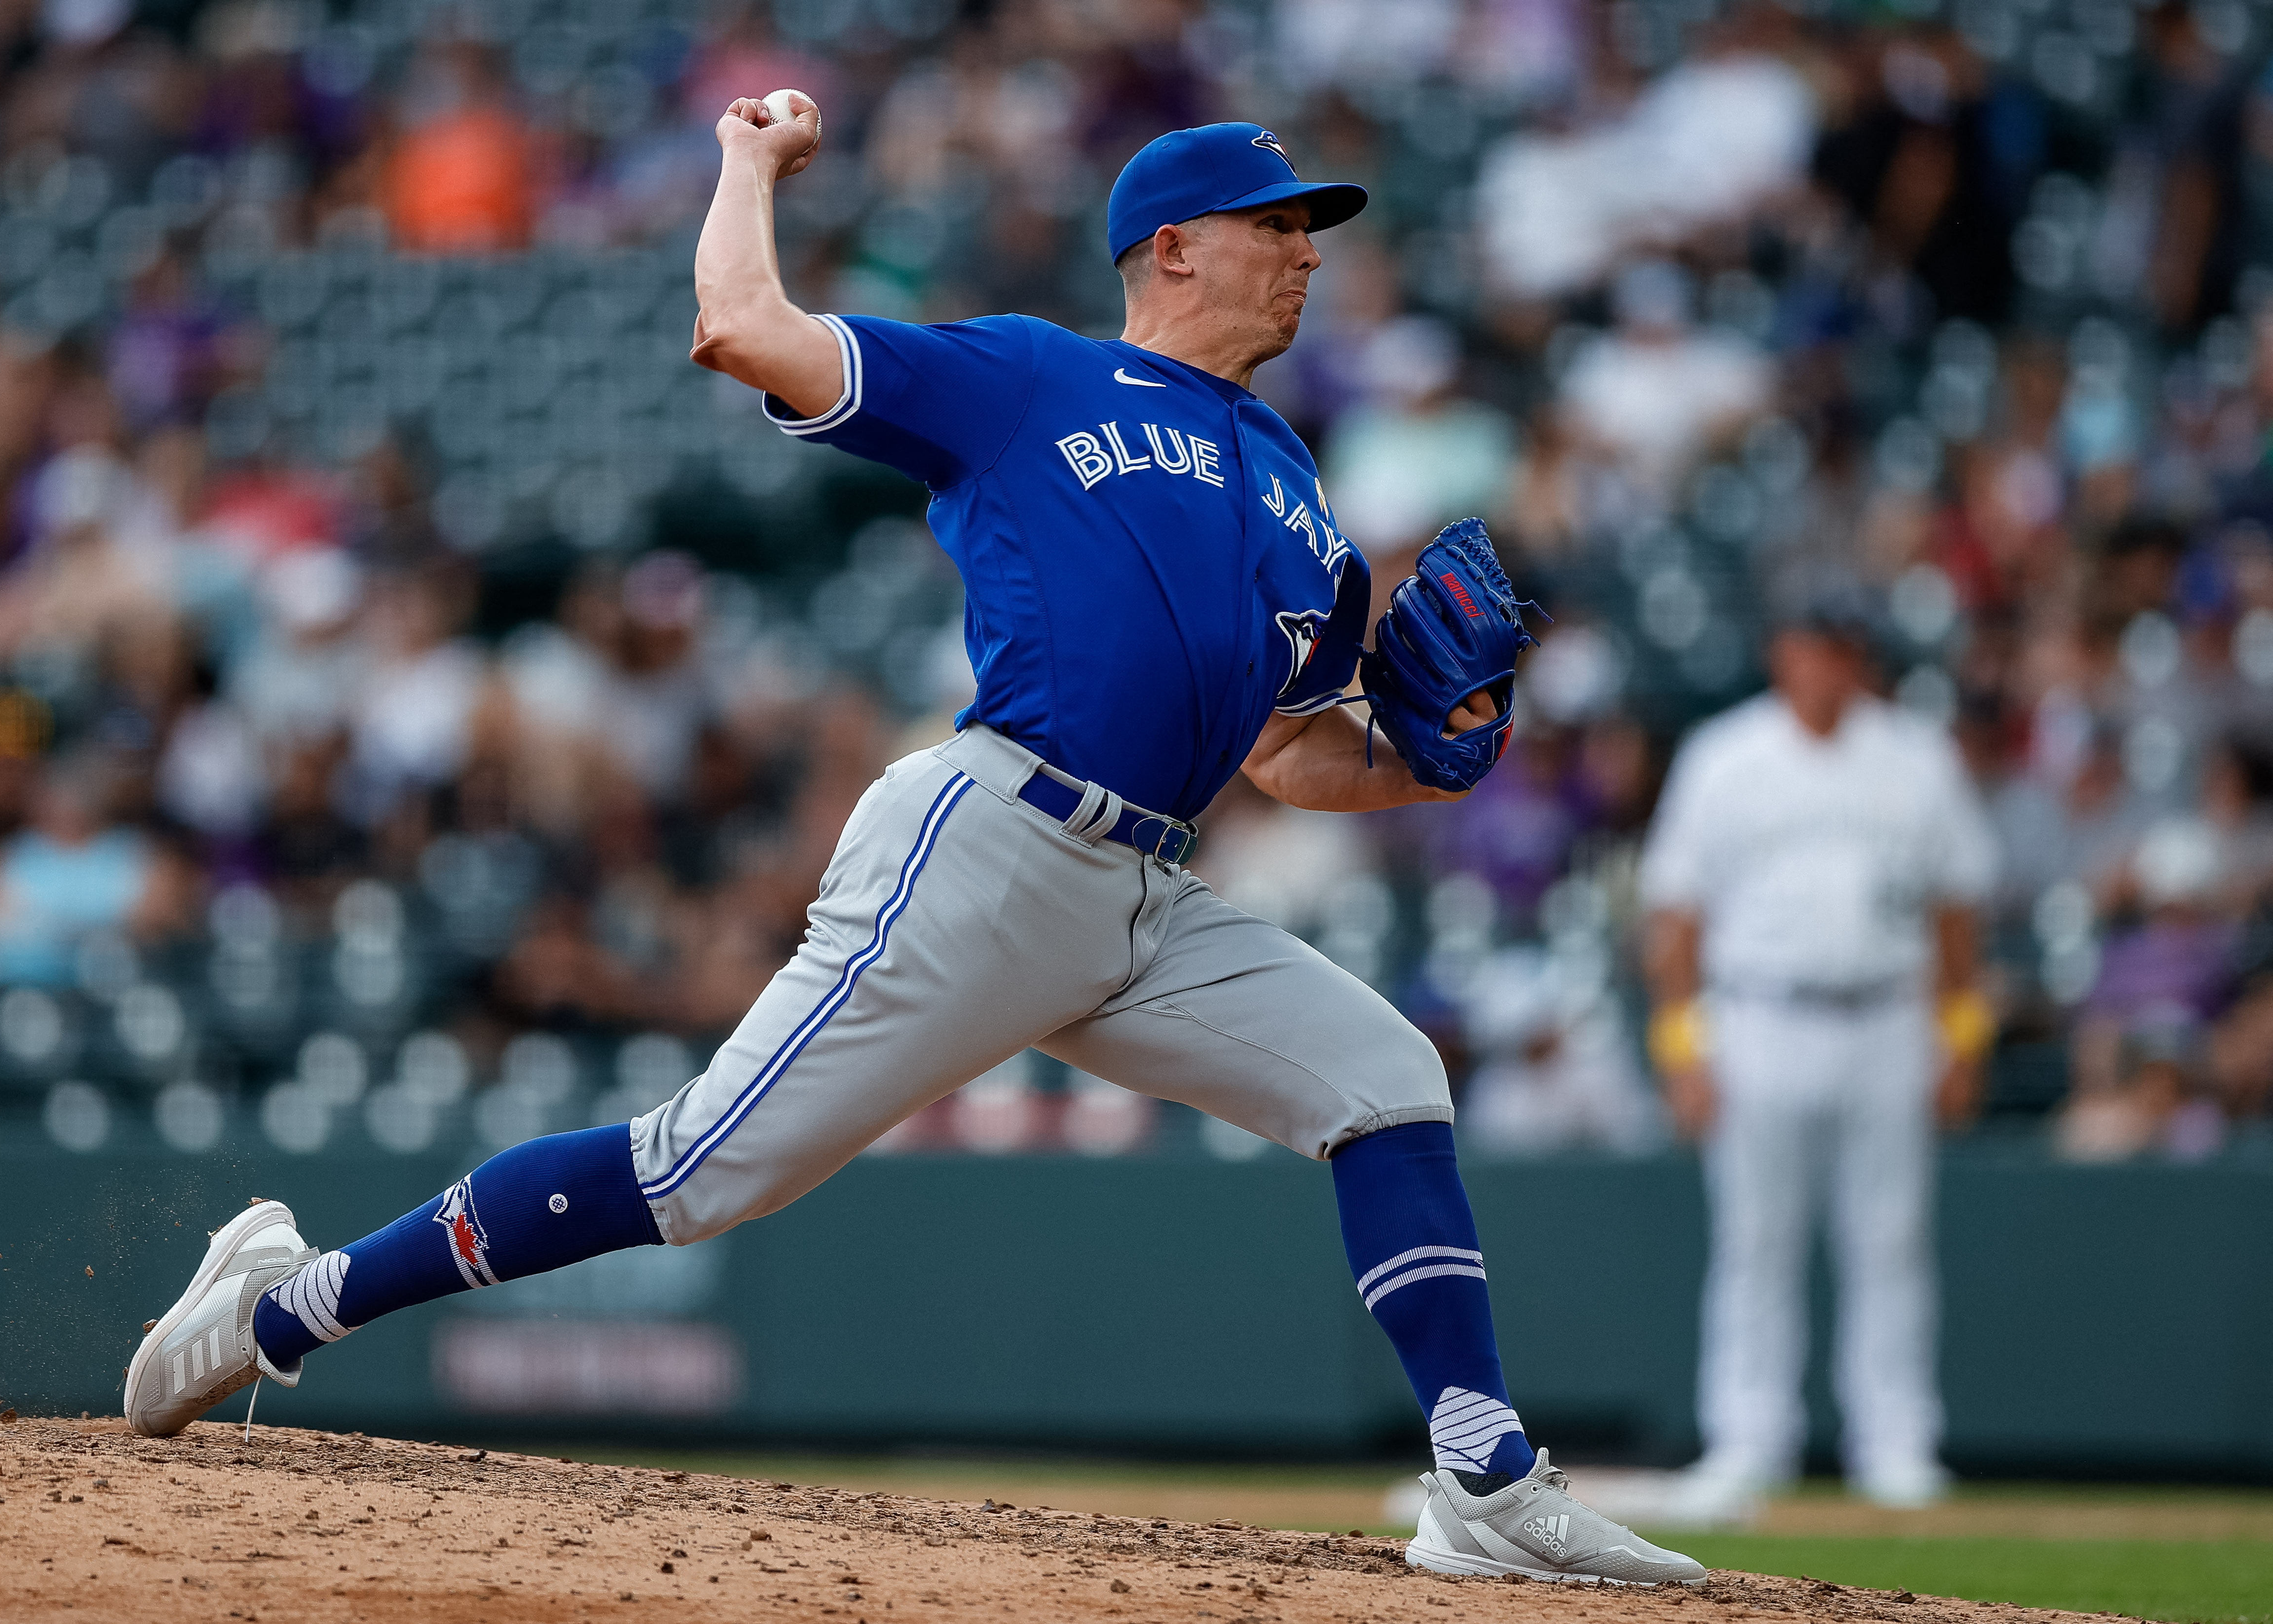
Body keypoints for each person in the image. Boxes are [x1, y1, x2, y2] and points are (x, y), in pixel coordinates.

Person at [121, 107, 1704, 1587]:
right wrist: (749, 165)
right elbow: (741, 327)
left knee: (1386, 1081)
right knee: (690, 1173)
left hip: (1145, 893)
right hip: (988, 847)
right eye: (1275, 224)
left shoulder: (1301, 494)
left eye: (1314, 229)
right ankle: (284, 1304)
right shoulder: (1034, 378)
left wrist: (1428, 766)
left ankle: (1482, 1477)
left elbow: (1293, 758)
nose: (1307, 250)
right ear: (1172, 245)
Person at [1638, 593, 1999, 1518]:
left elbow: (1957, 912)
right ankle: (1749, 1439)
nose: (1825, 664)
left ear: (1859, 658)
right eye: (1809, 645)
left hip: (1889, 1014)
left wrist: (1960, 1039)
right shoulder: (1725, 757)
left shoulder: (1915, 757)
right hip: (1759, 1015)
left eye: (1840, 648)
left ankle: (1898, 1442)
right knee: (1754, 1238)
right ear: (1780, 652)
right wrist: (1683, 1049)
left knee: (1890, 1239)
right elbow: (1675, 918)